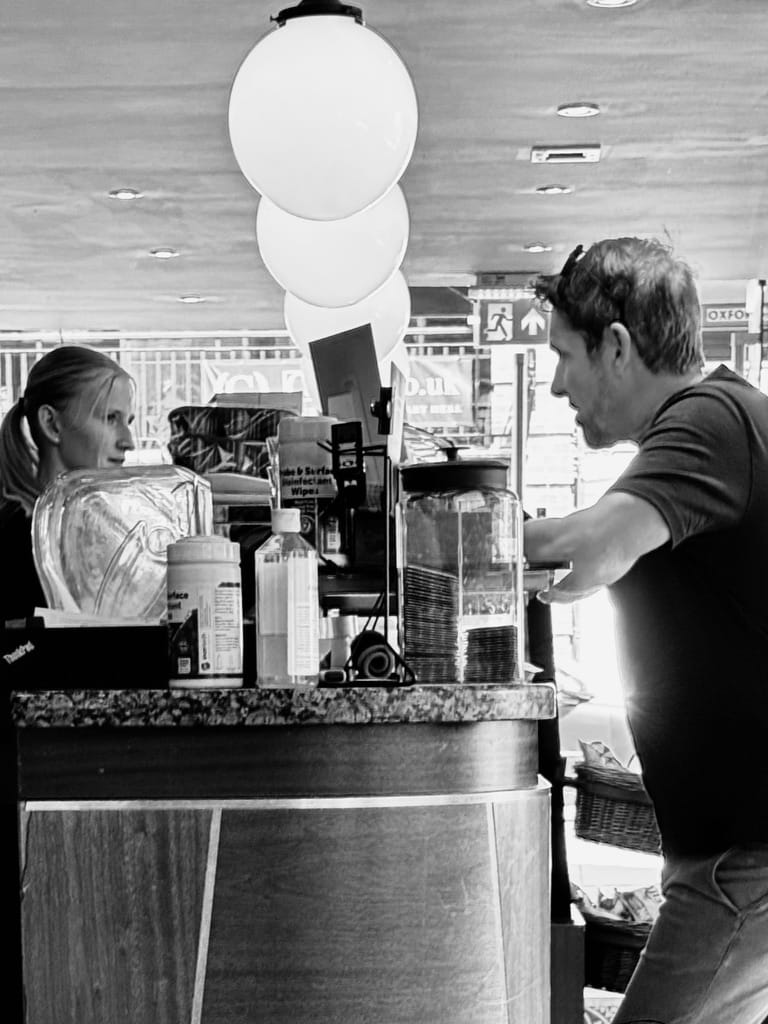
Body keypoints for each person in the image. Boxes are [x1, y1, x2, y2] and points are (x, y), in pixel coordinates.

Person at [525, 237, 768, 1024]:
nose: (557, 384)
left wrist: (445, 538)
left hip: (744, 864)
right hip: (731, 859)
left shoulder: (709, 422)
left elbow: (594, 544)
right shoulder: (712, 423)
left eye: (565, 356)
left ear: (618, 347)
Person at [0, 345, 136, 624]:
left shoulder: (99, 529)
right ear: (52, 424)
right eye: (110, 418)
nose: (128, 441)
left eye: (128, 421)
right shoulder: (19, 538)